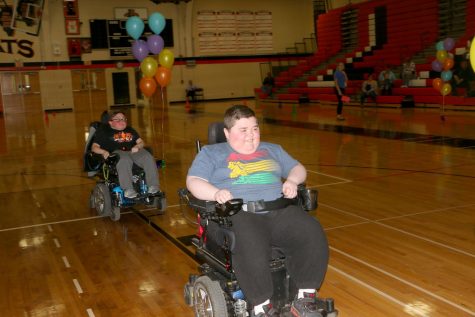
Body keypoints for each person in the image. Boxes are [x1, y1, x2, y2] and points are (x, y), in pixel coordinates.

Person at [186, 105, 329, 317]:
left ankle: (304, 299)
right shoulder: (212, 153)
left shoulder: (273, 149)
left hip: (278, 210)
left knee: (311, 230)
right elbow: (193, 181)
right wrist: (216, 193)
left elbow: (298, 168)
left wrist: (292, 179)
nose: (251, 135)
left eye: (254, 129)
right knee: (249, 240)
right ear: (226, 133)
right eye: (243, 130)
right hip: (239, 213)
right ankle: (262, 307)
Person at [91, 111, 160, 199]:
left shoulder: (130, 129)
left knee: (148, 157)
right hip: (116, 152)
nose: (122, 121)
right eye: (118, 119)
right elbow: (94, 147)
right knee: (124, 159)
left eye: (123, 119)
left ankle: (153, 186)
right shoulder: (104, 131)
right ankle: (128, 189)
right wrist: (104, 152)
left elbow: (141, 142)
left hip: (132, 151)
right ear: (110, 122)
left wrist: (138, 146)